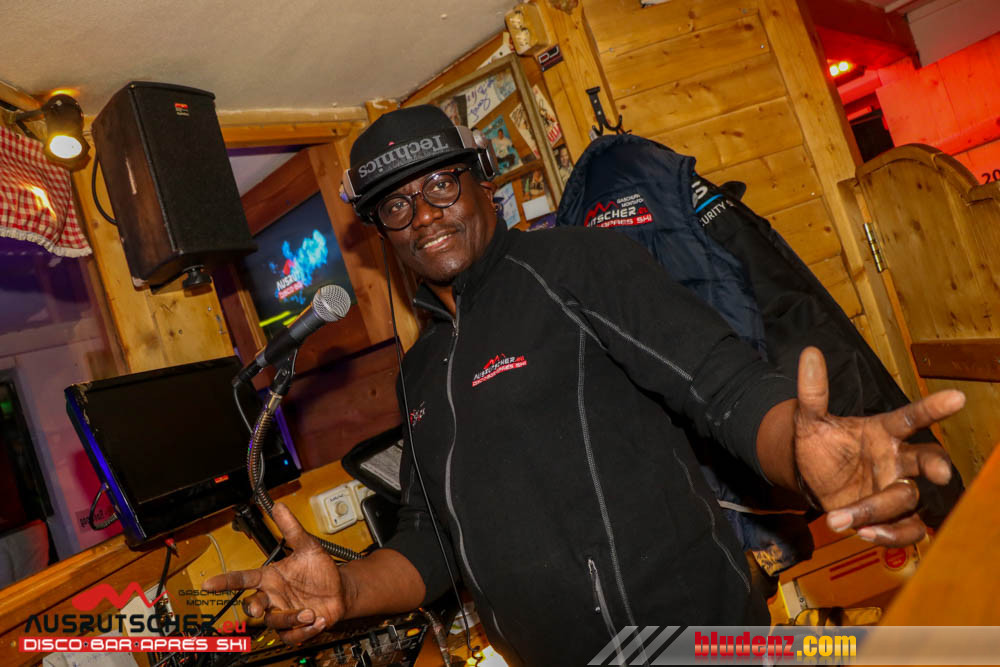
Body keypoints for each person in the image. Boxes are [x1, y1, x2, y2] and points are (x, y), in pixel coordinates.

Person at [205, 106, 964, 666]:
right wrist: (346, 591)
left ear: (482, 184)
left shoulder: (576, 265)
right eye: (396, 204)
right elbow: (432, 539)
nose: (425, 214)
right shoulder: (420, 371)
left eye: (441, 183)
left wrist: (799, 448)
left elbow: (724, 385)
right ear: (382, 231)